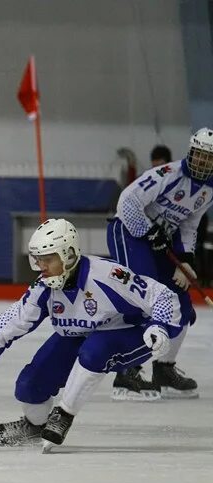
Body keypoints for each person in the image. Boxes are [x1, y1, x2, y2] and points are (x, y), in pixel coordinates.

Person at [0, 218, 183, 449]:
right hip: (79, 335)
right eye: (38, 260)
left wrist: (159, 325)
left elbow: (161, 295)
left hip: (130, 333)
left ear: (69, 255)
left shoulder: (108, 276)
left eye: (48, 259)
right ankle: (35, 426)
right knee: (30, 383)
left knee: (95, 350)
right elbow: (8, 324)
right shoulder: (43, 288)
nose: (42, 267)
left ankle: (64, 415)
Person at [107, 129, 213, 400]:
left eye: (209, 158)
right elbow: (127, 202)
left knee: (182, 306)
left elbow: (190, 224)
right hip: (129, 232)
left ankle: (164, 369)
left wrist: (186, 260)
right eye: (199, 155)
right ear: (191, 152)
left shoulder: (208, 189)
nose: (202, 162)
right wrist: (147, 230)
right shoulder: (167, 175)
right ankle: (126, 373)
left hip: (161, 241)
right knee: (143, 297)